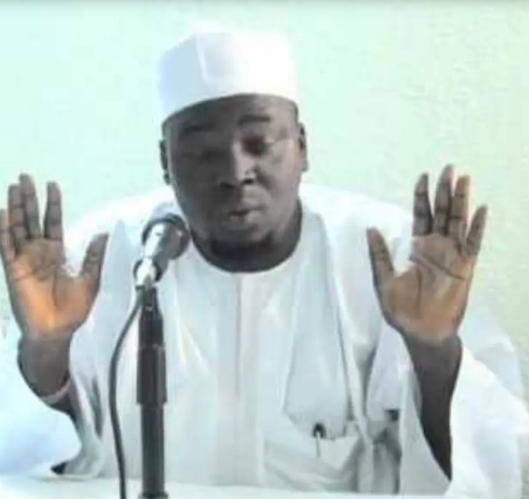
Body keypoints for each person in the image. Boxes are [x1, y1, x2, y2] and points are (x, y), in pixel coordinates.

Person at [0, 25, 528, 497]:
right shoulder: (97, 261)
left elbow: (495, 471)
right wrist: (46, 349)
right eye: (203, 152)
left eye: (258, 142)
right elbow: (19, 466)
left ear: (302, 145)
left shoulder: (389, 261)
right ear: (165, 161)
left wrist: (433, 353)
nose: (235, 172)